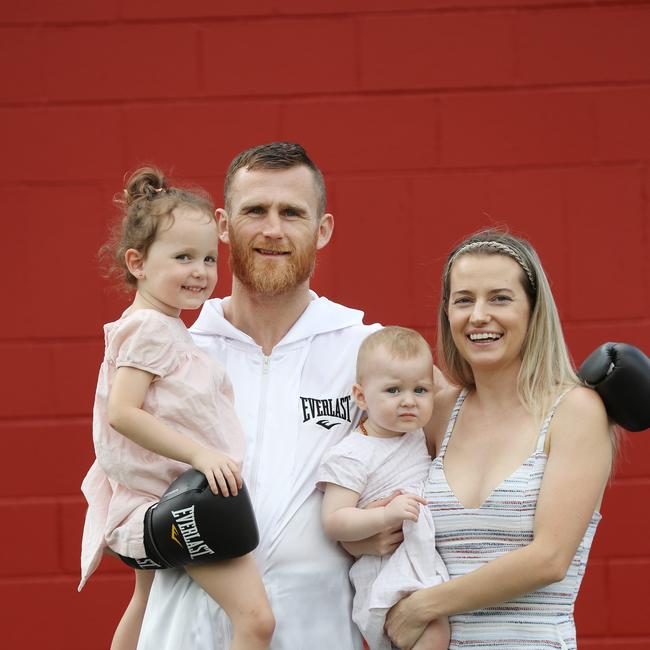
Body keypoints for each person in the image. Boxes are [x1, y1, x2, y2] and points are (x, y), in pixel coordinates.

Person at [136, 142, 391, 650]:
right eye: (255, 211)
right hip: (184, 635)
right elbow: (121, 479)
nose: (273, 230)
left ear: (322, 230)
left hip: (316, 636)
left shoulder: (366, 351)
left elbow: (467, 418)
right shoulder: (173, 349)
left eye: (292, 213)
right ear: (224, 225)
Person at [385, 229, 614, 650]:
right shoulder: (436, 414)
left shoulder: (574, 411)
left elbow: (549, 559)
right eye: (464, 299)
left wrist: (422, 607)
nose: (478, 316)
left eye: (500, 298)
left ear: (533, 310)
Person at [79, 168, 274, 650]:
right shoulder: (149, 328)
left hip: (156, 492)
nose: (200, 271)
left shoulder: (161, 325)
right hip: (176, 495)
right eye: (183, 257)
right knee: (256, 621)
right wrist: (201, 457)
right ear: (137, 263)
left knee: (145, 605)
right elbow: (122, 413)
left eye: (209, 258)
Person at [318, 326, 450, 650]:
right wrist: (385, 516)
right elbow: (334, 520)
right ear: (361, 396)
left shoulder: (417, 436)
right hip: (387, 569)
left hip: (421, 560)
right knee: (433, 634)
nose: (409, 401)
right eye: (393, 391)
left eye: (421, 390)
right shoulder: (352, 453)